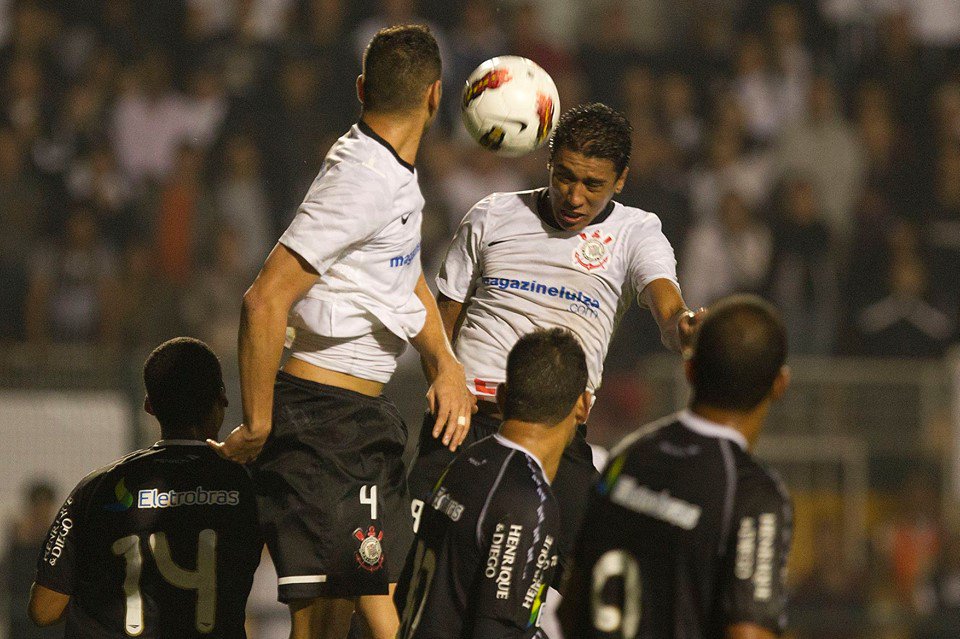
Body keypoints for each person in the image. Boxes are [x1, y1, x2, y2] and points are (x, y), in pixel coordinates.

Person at [205, 24, 474, 639]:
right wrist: (262, 423)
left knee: (362, 616)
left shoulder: (392, 172)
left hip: (355, 422)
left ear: (361, 89)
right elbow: (264, 298)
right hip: (319, 427)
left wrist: (444, 364)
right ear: (436, 97)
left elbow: (403, 277)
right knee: (346, 623)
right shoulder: (360, 180)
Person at [407, 102, 703, 571]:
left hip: (556, 438)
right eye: (564, 176)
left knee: (587, 583)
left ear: (621, 180)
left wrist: (683, 325)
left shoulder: (636, 232)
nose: (575, 197)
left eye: (593, 184)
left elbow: (665, 303)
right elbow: (443, 322)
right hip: (466, 424)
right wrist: (443, 376)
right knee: (416, 580)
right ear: (548, 160)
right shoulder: (491, 216)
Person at [558, 295, 794, 639]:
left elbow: (572, 604)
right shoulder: (752, 493)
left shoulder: (628, 455)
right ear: (780, 385)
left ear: (690, 369)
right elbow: (749, 632)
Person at [28, 337, 262, 637]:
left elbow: (44, 609)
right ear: (222, 399)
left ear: (149, 405)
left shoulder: (97, 488)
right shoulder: (248, 486)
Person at [395, 328, 589, 639]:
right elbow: (499, 631)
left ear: (501, 395)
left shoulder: (463, 464)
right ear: (584, 406)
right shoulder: (529, 501)